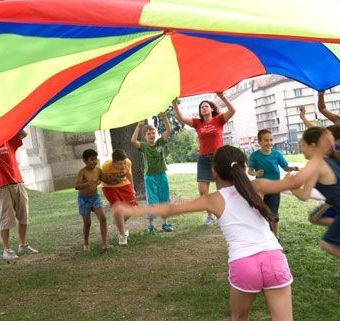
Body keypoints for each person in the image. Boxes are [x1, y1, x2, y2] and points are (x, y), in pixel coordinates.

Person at [113, 135, 332, 321]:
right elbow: (295, 182)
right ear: (244, 168)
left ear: (214, 172)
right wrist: (320, 153)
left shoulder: (213, 199)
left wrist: (132, 211)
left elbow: (171, 209)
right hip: (274, 258)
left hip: (244, 263)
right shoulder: (257, 186)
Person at [173, 93, 236, 226]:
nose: (204, 108)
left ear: (212, 109)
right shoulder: (198, 123)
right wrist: (174, 103)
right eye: (202, 107)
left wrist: (222, 96)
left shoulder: (219, 120)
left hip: (218, 158)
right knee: (202, 191)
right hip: (203, 159)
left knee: (222, 189)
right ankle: (210, 216)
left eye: (206, 106)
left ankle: (227, 213)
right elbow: (182, 118)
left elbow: (233, 111)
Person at [0, 130, 38, 260]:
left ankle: (23, 245)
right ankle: (7, 250)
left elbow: (23, 134)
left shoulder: (8, 140)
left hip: (18, 182)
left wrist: (12, 124)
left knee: (24, 216)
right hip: (2, 186)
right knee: (6, 219)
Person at [290, 126, 340, 258]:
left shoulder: (316, 164)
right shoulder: (328, 160)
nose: (301, 149)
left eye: (303, 145)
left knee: (327, 244)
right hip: (335, 207)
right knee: (314, 217)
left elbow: (304, 196)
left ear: (312, 146)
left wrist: (291, 187)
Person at [248, 129, 299, 239]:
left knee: (274, 214)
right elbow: (249, 171)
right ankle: (264, 235)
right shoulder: (254, 156)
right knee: (261, 213)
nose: (269, 143)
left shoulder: (277, 154)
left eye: (271, 140)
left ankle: (276, 237)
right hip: (260, 190)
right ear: (259, 142)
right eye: (266, 140)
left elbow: (285, 167)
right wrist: (256, 172)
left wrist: (295, 168)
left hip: (275, 188)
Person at [131, 114, 173, 234]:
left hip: (162, 175)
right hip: (150, 178)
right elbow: (133, 141)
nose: (151, 135)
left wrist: (164, 117)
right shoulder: (143, 146)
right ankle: (150, 226)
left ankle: (165, 224)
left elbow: (169, 130)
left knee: (164, 199)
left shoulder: (160, 143)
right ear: (144, 136)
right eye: (148, 134)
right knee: (152, 202)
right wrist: (138, 126)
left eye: (153, 133)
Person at [75, 149, 110, 251]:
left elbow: (106, 179)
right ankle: (86, 243)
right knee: (87, 223)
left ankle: (104, 244)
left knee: (103, 218)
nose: (94, 161)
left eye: (95, 159)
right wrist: (88, 183)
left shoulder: (98, 170)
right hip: (83, 200)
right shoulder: (82, 172)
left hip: (95, 198)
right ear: (84, 161)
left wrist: (116, 177)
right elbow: (77, 186)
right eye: (91, 159)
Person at [101, 149, 137, 246]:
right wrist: (113, 180)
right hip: (109, 188)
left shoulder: (128, 162)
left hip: (124, 185)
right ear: (114, 162)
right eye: (120, 164)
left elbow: (129, 175)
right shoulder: (106, 166)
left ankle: (119, 221)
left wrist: (132, 188)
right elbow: (103, 179)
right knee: (119, 209)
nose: (123, 166)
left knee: (133, 208)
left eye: (124, 163)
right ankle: (122, 235)